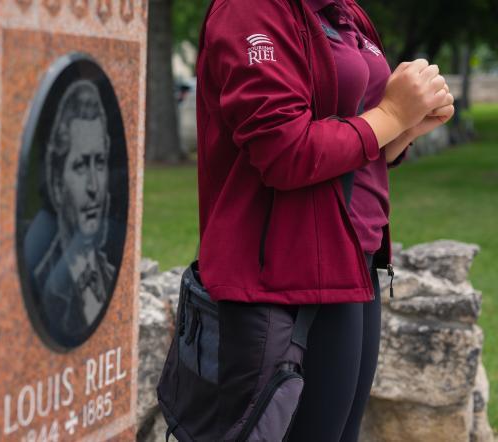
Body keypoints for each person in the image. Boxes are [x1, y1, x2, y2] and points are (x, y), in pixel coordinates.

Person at [195, 0, 454, 439]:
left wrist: (404, 125)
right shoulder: (250, 10)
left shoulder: (342, 9)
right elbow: (284, 152)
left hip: (355, 260)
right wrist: (390, 115)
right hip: (288, 274)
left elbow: (356, 139)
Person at [32, 79, 117, 342]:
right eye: (80, 165)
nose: (94, 186)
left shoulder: (109, 274)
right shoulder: (44, 284)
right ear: (57, 184)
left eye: (100, 163)